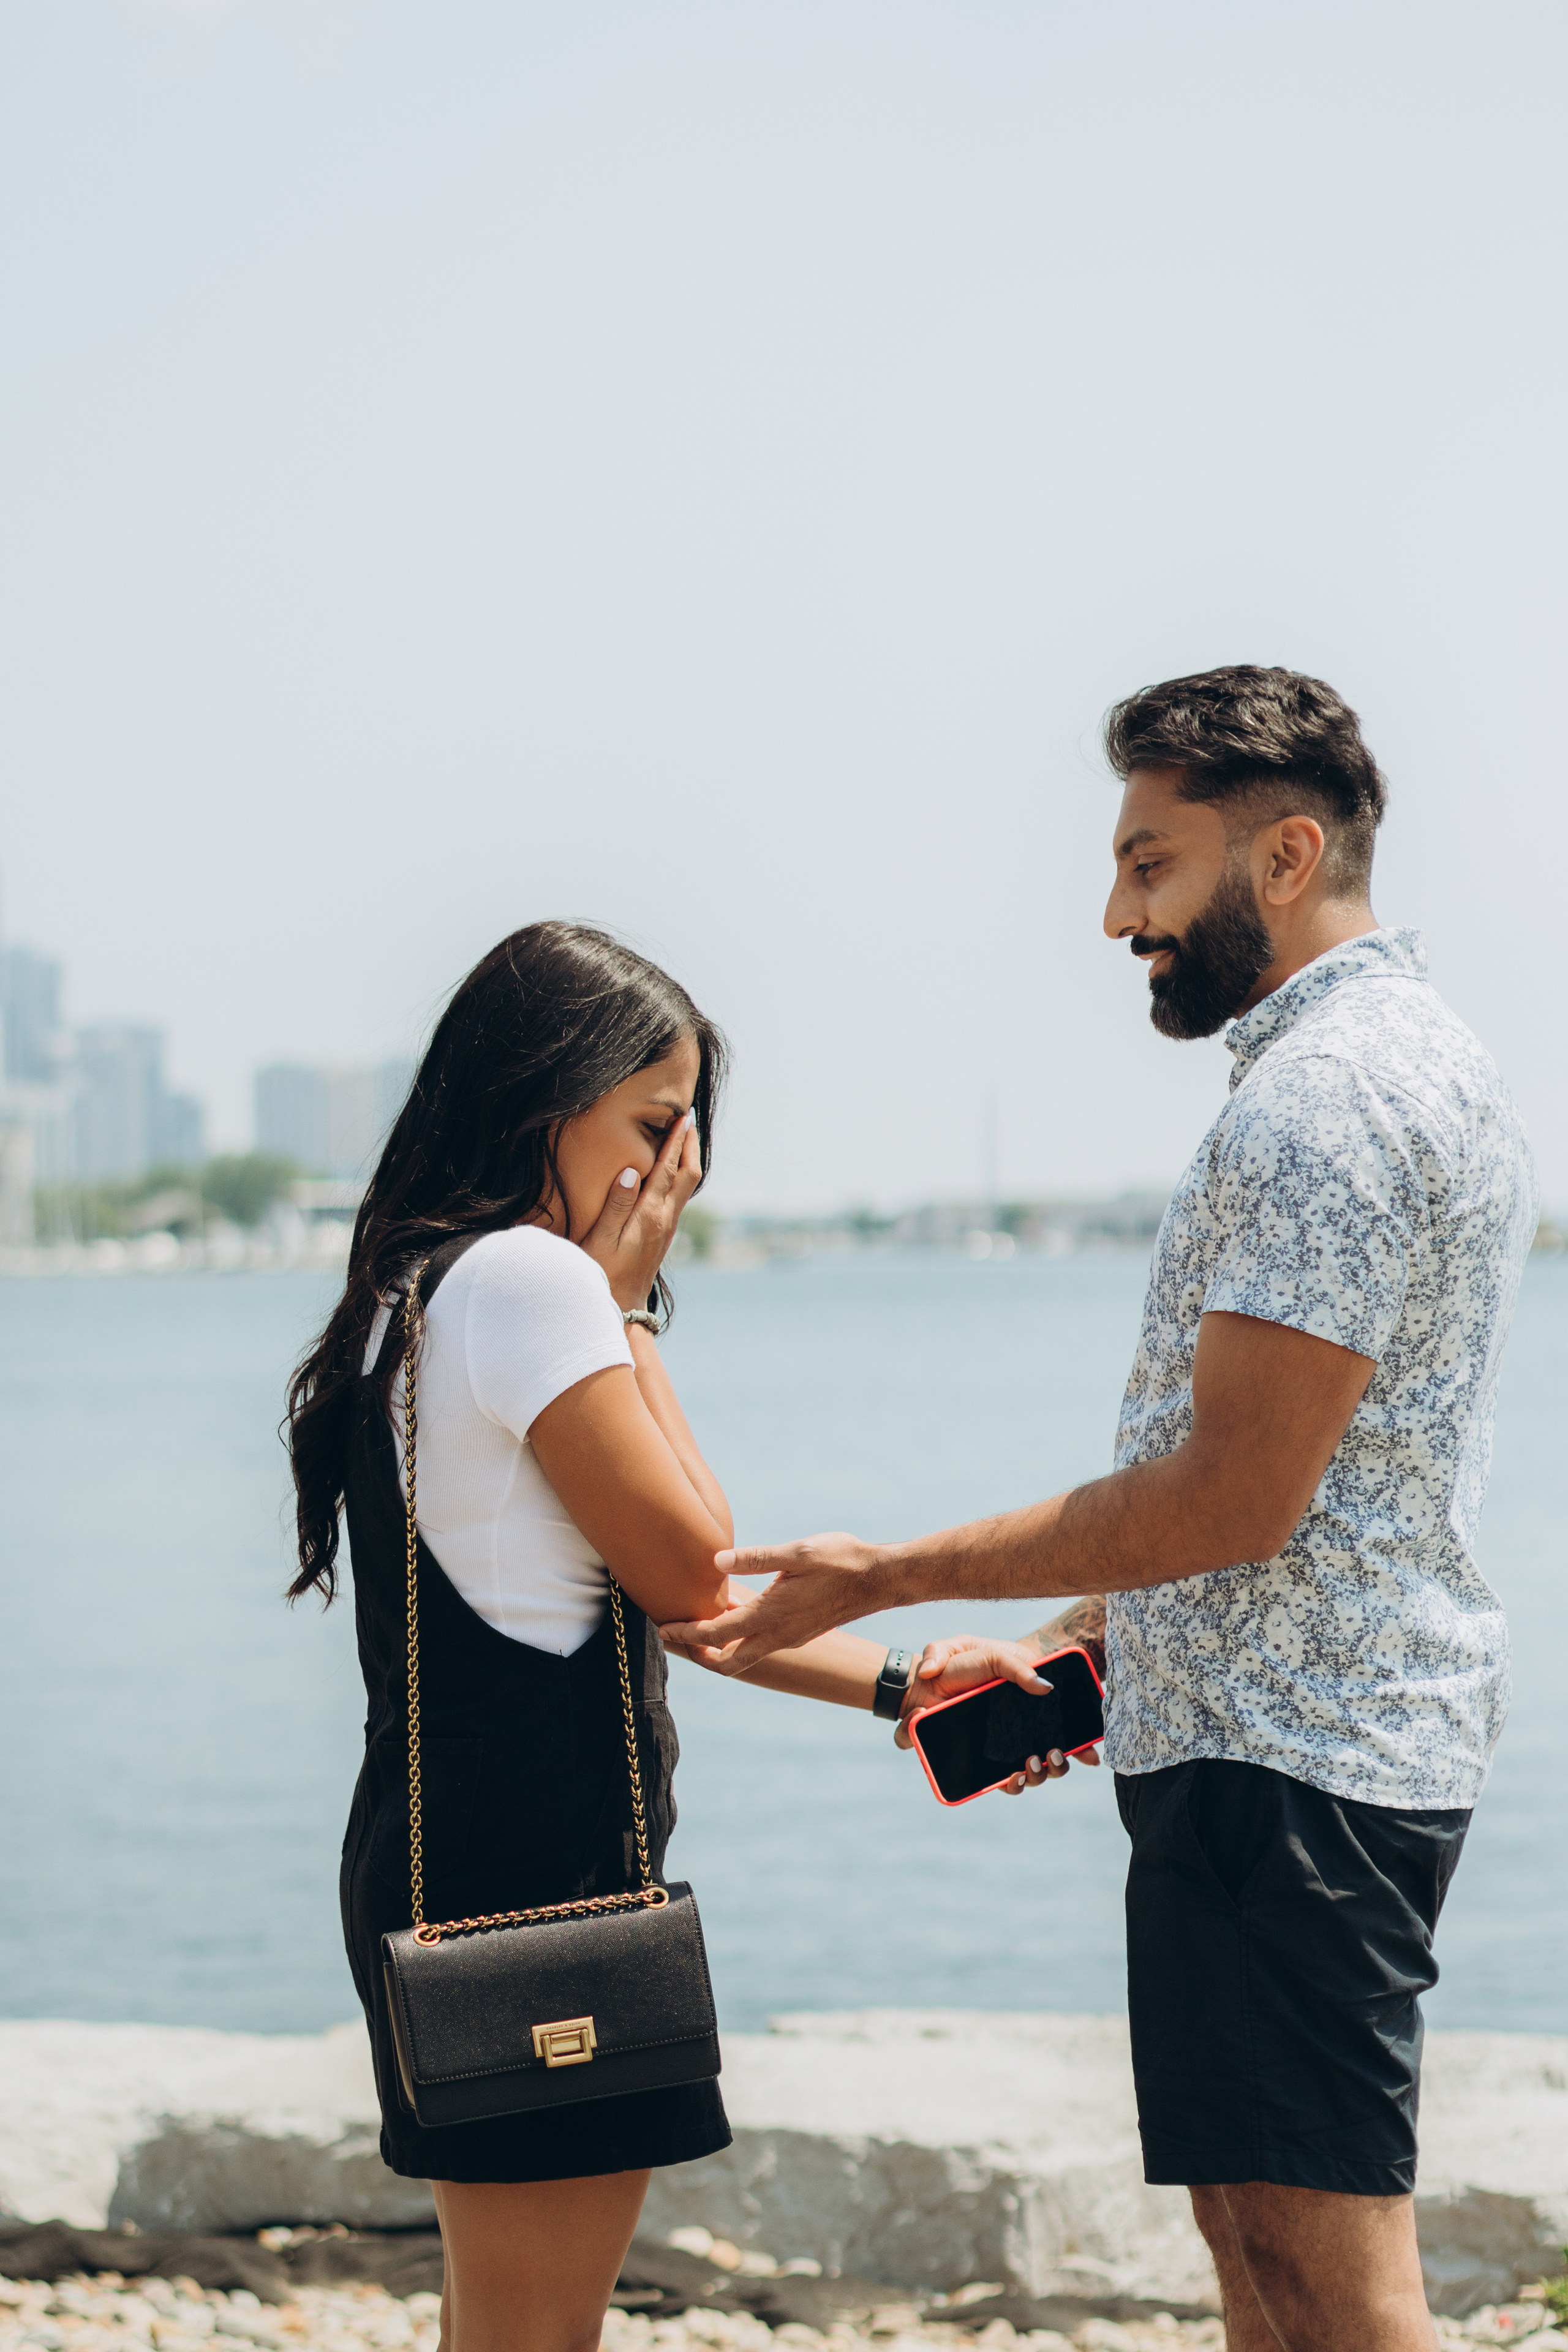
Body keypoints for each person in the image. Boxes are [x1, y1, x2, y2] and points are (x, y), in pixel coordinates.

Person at [666, 668, 1539, 2352]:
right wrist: (1078, 1640)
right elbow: (1316, 1483)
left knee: (1334, 2283)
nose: (1116, 910)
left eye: (1151, 862)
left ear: (1283, 857)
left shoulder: (1330, 1102)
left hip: (1301, 1765)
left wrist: (880, 1572)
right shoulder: (1372, 1068)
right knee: (1262, 2251)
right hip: (1273, 1736)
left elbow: (1233, 1496)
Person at [286, 922, 903, 2352]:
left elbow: (680, 1611)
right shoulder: (530, 1282)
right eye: (651, 1123)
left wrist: (905, 1684)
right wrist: (624, 1307)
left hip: (447, 1856)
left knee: (506, 2325)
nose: (672, 1170)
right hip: (535, 1888)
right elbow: (695, 1557)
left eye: (690, 1132)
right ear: (543, 1099)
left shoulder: (415, 1293)